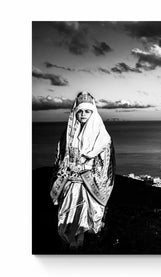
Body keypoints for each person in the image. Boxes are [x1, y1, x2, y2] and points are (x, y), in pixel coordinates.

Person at [50, 91, 115, 249]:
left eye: (87, 111)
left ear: (93, 112)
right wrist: (65, 169)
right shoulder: (67, 135)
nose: (83, 114)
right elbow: (60, 158)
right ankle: (72, 250)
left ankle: (80, 250)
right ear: (75, 113)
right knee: (66, 219)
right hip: (69, 184)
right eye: (80, 111)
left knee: (82, 221)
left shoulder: (103, 137)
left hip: (88, 186)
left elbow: (106, 164)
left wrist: (86, 170)